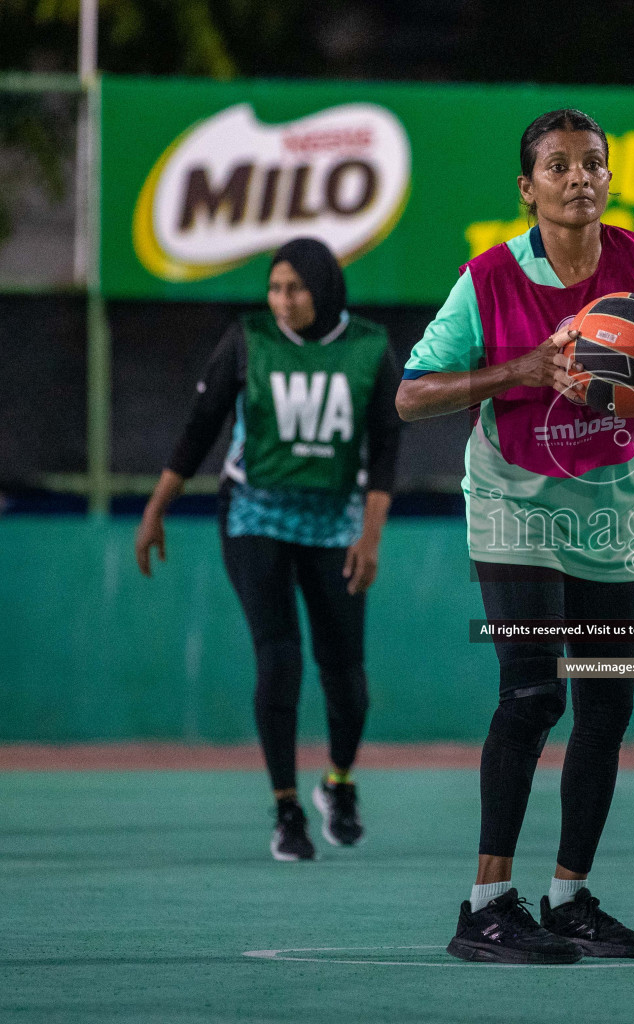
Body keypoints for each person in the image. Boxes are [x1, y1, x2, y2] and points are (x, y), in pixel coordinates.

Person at [397, 107, 634, 965]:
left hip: (607, 508)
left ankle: (568, 897)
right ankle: (485, 905)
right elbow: (410, 395)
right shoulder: (488, 281)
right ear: (528, 188)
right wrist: (519, 370)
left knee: (608, 701)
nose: (579, 177)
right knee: (532, 694)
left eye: (593, 163)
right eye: (559, 165)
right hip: (512, 502)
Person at [135, 237, 402, 862]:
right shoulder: (248, 339)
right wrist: (156, 509)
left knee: (347, 679)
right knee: (279, 659)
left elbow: (388, 443)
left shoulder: (367, 347)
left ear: (324, 288)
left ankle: (337, 784)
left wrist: (371, 535)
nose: (282, 300)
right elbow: (200, 429)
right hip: (254, 514)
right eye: (274, 287)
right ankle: (286, 809)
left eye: (295, 288)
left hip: (335, 523)